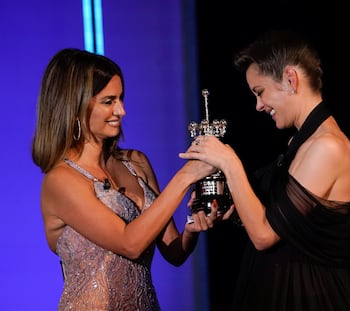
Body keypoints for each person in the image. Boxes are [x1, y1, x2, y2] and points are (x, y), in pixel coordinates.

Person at [31, 48, 232, 310]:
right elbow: (130, 243)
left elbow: (174, 252)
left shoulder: (135, 162)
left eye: (121, 98)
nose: (122, 110)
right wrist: (186, 176)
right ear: (76, 106)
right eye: (108, 101)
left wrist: (192, 227)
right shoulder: (61, 181)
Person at [179, 30, 350, 310]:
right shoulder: (302, 142)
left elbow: (265, 235)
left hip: (308, 297)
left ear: (290, 80)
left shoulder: (328, 146)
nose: (258, 105)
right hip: (280, 286)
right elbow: (283, 222)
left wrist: (229, 162)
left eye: (260, 92)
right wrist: (228, 207)